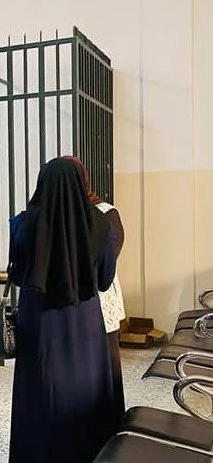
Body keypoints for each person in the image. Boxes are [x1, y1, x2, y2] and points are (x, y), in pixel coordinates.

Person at [8, 157, 118, 463]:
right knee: (84, 386)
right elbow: (105, 280)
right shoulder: (101, 225)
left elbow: (17, 275)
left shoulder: (23, 223)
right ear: (82, 183)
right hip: (84, 319)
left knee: (40, 386)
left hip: (38, 319)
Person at [64, 156, 127, 422]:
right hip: (69, 297)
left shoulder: (105, 212)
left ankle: (110, 417)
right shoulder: (59, 210)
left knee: (106, 358)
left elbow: (112, 253)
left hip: (100, 292)